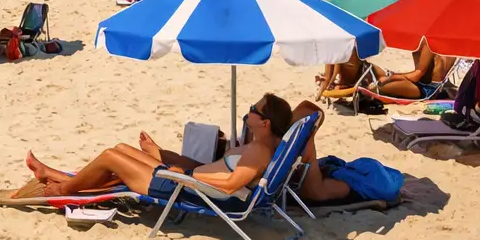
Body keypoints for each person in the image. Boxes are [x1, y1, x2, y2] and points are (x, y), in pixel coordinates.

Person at [18, 94, 294, 200]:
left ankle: (63, 189)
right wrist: (166, 157)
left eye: (253, 110)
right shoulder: (261, 144)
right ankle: (50, 172)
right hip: (185, 177)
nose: (248, 112)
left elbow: (230, 185)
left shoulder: (259, 151)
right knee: (122, 148)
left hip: (184, 187)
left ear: (266, 123)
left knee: (110, 157)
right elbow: (209, 169)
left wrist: (187, 177)